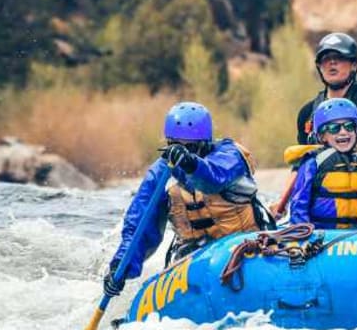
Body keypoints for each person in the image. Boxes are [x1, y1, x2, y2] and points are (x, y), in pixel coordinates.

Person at [102, 102, 269, 297]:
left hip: (244, 249)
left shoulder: (229, 155)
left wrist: (190, 163)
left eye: (189, 147)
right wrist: (119, 267)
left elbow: (213, 180)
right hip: (192, 260)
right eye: (175, 145)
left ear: (205, 142)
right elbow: (140, 224)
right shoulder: (161, 172)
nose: (181, 152)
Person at [289, 98, 357, 230]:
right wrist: (303, 233)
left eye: (349, 126)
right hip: (323, 238)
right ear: (322, 136)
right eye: (334, 128)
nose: (343, 132)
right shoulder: (313, 165)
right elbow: (298, 204)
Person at [296, 32, 357, 164]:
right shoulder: (307, 113)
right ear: (319, 67)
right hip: (322, 180)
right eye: (326, 59)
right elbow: (301, 162)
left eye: (339, 57)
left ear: (354, 65)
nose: (332, 62)